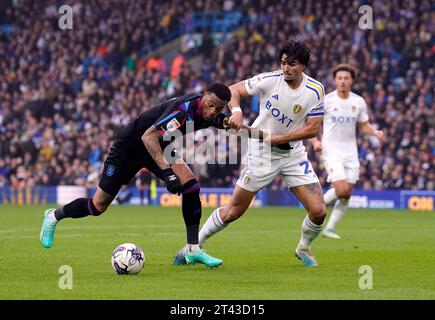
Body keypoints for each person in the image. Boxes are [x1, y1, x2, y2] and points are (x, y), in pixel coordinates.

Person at [39, 83, 234, 269]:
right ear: (204, 96)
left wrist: (262, 136)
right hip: (128, 149)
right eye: (211, 106)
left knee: (191, 186)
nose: (213, 112)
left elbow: (235, 126)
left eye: (218, 109)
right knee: (97, 206)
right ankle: (53, 216)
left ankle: (193, 249)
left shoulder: (210, 113)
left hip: (159, 147)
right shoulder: (184, 111)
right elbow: (148, 136)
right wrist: (168, 173)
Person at [178, 39, 327, 267]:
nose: (286, 68)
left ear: (303, 66)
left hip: (292, 154)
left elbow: (313, 128)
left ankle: (304, 248)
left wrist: (280, 139)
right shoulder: (270, 80)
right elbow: (233, 90)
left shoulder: (315, 90)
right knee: (233, 211)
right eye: (284, 62)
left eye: (292, 64)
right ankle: (192, 246)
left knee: (318, 211)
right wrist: (236, 111)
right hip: (262, 152)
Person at [311, 64, 384, 239]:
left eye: (346, 78)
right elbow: (313, 124)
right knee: (342, 190)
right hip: (331, 151)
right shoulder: (327, 101)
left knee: (347, 193)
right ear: (335, 80)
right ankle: (316, 206)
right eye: (340, 78)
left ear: (351, 81)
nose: (343, 81)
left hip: (351, 152)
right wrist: (315, 141)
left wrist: (374, 132)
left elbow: (364, 124)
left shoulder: (358, 102)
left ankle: (329, 228)